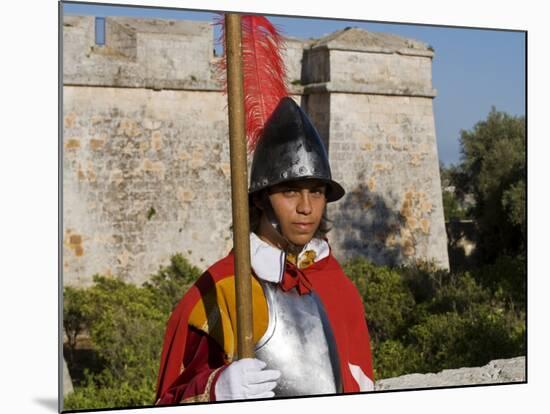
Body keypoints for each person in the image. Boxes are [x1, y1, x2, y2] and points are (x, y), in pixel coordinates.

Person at [155, 97, 374, 404]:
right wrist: (214, 389)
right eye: (290, 192)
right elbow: (169, 399)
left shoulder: (338, 285)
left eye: (316, 192)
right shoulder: (221, 289)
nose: (306, 208)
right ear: (260, 200)